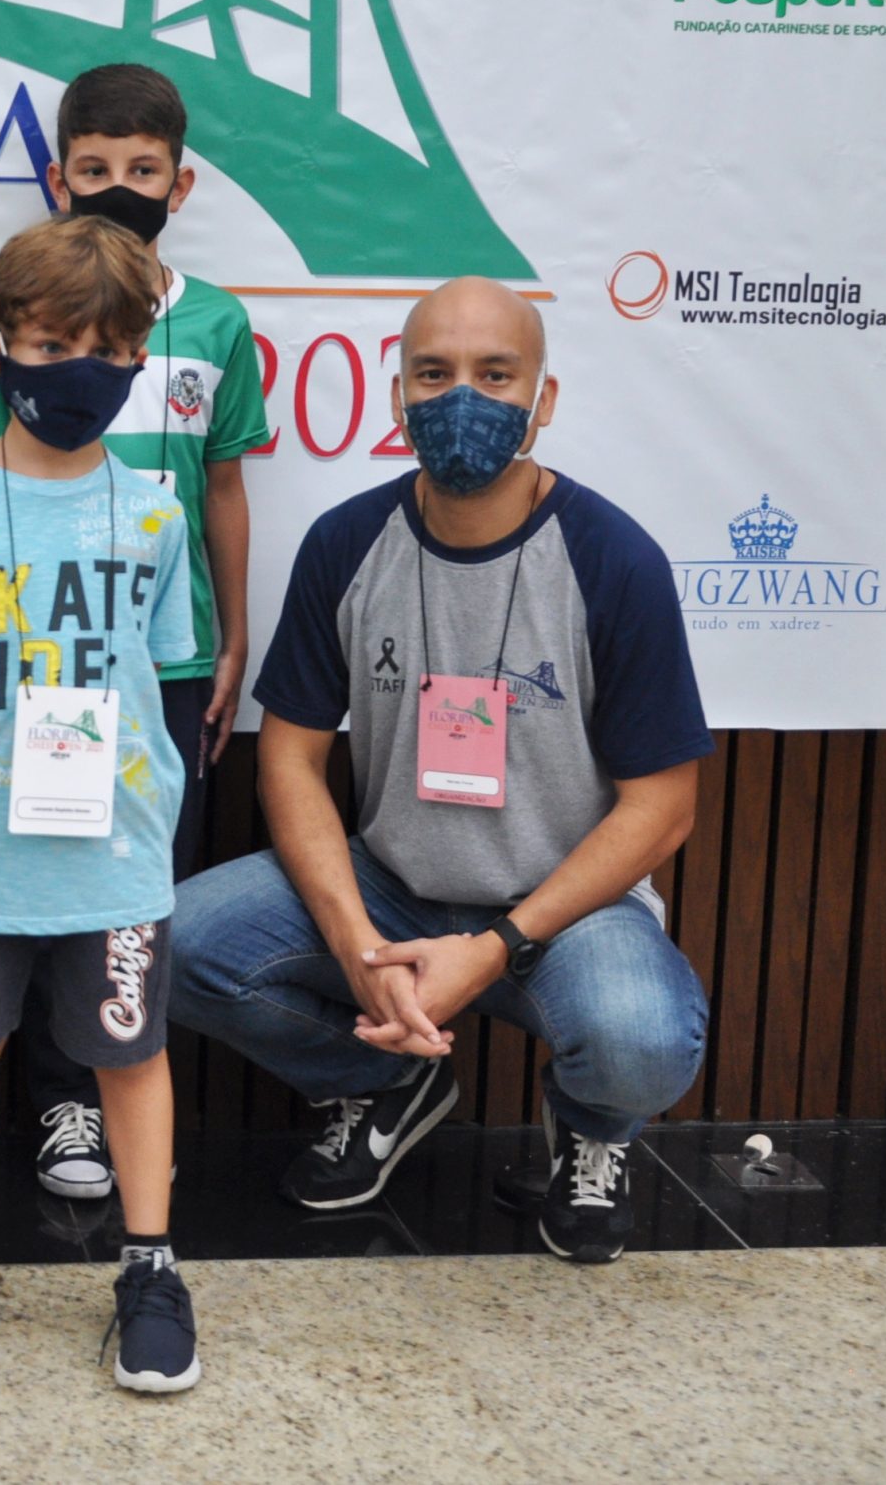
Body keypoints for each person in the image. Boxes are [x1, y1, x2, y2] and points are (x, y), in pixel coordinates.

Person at [167, 277, 713, 1264]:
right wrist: (355, 944)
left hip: (563, 912)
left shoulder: (612, 558)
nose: (462, 395)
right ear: (398, 395)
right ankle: (388, 1081)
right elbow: (289, 755)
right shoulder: (346, 543)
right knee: (176, 945)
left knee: (642, 1039)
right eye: (434, 372)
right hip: (393, 888)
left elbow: (662, 805)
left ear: (541, 399)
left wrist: (496, 943)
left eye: (494, 373)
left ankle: (592, 1134)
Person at [0, 216, 201, 1393]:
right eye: (55, 339)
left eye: (112, 346)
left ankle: (152, 1263)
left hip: (114, 853)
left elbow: (162, 667)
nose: (82, 366)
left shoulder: (159, 509)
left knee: (131, 1052)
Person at [0, 62, 271, 1203]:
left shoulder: (213, 321)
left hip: (169, 659)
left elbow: (222, 490)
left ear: (180, 181)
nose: (117, 187)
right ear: (57, 178)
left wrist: (233, 628)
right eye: (94, 169)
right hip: (50, 654)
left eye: (141, 171)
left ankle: (126, 1087)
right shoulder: (30, 321)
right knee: (51, 874)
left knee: (139, 885)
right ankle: (60, 1095)